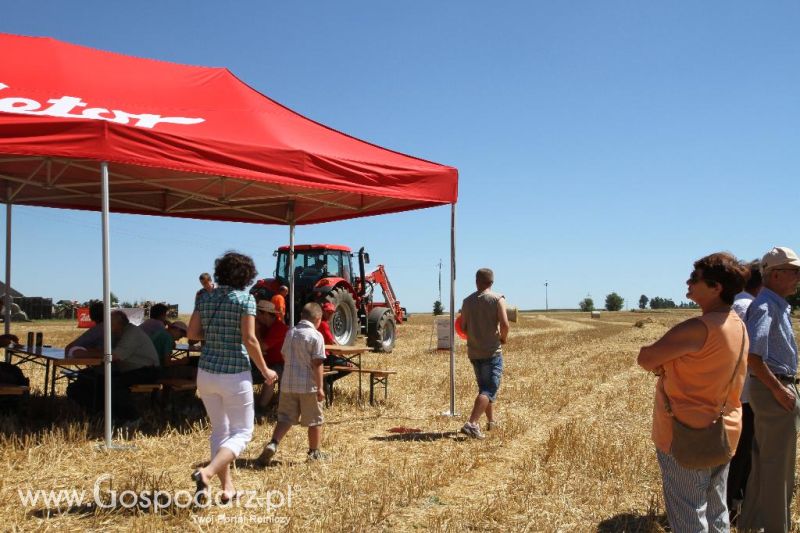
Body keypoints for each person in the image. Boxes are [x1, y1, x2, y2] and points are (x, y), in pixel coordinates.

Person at [638, 252, 748, 532]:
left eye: (695, 278)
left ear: (716, 287)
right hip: (725, 430)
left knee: (688, 515)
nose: (688, 281)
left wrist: (666, 365)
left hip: (688, 433)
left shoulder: (699, 328)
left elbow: (646, 358)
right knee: (716, 511)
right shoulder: (738, 326)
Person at [188, 251, 277, 504]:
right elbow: (249, 339)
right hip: (234, 373)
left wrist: (215, 335)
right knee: (243, 433)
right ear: (247, 276)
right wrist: (265, 370)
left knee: (220, 431)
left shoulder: (204, 297)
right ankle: (207, 472)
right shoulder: (245, 300)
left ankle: (227, 488)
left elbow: (193, 333)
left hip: (206, 372)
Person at [739, 246, 800, 533]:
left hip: (772, 388)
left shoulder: (772, 304)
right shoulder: (766, 306)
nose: (798, 278)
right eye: (794, 272)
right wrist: (778, 390)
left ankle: (750, 525)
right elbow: (752, 355)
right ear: (775, 275)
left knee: (764, 466)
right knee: (779, 470)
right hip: (774, 388)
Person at [256, 302, 326, 465]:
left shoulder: (291, 332)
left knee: (285, 418)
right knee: (315, 420)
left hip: (288, 384)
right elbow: (317, 363)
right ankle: (314, 452)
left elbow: (284, 355)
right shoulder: (316, 336)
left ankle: (273, 443)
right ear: (317, 319)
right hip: (308, 385)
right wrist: (320, 387)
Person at [66, 310, 161, 421]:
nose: (106, 327)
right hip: (131, 370)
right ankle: (99, 412)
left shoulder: (132, 333)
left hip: (147, 371)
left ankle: (131, 418)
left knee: (112, 384)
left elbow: (113, 356)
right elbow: (106, 351)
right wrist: (88, 352)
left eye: (110, 324)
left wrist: (84, 353)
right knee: (87, 378)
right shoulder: (118, 333)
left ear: (119, 324)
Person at [726, 260, 762, 518]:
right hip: (746, 394)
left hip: (731, 391)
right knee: (742, 453)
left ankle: (729, 503)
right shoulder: (749, 307)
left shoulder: (732, 305)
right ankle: (731, 505)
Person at [459, 268, 509, 439]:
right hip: (492, 352)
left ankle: (491, 421)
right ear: (492, 282)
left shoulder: (467, 302)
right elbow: (505, 324)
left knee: (484, 389)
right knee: (489, 390)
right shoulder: (498, 299)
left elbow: (462, 326)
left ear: (476, 281)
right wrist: (503, 338)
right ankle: (471, 424)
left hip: (474, 352)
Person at [254, 299, 288, 410]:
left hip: (283, 364)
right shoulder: (267, 327)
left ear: (265, 314)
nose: (256, 316)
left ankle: (261, 409)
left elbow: (262, 346)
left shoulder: (279, 328)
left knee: (269, 377)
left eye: (257, 313)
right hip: (269, 362)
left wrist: (255, 330)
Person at [318, 302, 356, 387]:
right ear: (323, 312)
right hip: (325, 357)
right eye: (328, 312)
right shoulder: (324, 324)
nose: (330, 315)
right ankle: (328, 380)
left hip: (322, 356)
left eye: (331, 313)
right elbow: (332, 342)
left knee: (347, 363)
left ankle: (328, 380)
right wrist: (341, 353)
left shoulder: (321, 323)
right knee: (349, 366)